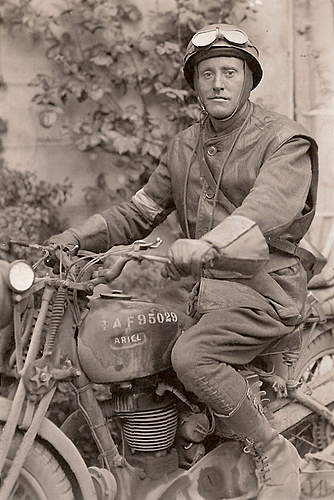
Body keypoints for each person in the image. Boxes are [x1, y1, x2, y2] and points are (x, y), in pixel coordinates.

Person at [47, 24, 319, 499]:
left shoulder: (285, 140)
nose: (218, 83)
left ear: (248, 80)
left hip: (266, 292)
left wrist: (209, 244)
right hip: (204, 293)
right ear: (194, 84)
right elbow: (139, 211)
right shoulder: (184, 147)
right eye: (207, 73)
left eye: (229, 72)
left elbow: (266, 207)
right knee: (136, 345)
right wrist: (76, 238)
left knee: (193, 356)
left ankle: (272, 452)